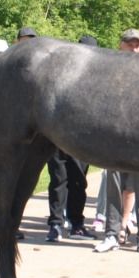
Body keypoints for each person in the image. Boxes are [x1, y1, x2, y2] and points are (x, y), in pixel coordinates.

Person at [92, 27, 139, 255]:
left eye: (137, 44)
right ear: (120, 45)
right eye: (129, 43)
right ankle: (111, 234)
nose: (133, 47)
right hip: (115, 138)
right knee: (113, 187)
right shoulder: (110, 72)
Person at [46, 33, 99, 241]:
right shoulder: (63, 73)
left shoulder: (98, 80)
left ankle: (76, 223)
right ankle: (56, 224)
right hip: (59, 136)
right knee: (58, 180)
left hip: (82, 138)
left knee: (78, 182)